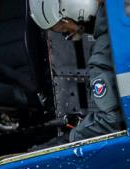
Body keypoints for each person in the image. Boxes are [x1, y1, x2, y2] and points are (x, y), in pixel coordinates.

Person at [29, 0, 122, 144]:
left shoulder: (104, 51)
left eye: (67, 31)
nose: (70, 37)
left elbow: (109, 121)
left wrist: (67, 141)